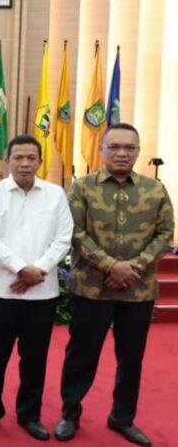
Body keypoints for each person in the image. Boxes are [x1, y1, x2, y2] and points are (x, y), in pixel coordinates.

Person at [54, 123, 174, 447]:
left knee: (131, 359)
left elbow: (166, 234)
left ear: (138, 151)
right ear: (102, 150)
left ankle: (122, 417)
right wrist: (110, 266)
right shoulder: (83, 187)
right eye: (115, 147)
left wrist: (133, 267)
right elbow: (74, 231)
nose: (122, 153)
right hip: (91, 288)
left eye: (129, 148)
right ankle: (70, 413)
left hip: (137, 290)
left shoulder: (155, 189)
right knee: (81, 355)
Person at [0, 135, 73, 440]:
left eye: (31, 158)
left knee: (34, 360)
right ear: (7, 160)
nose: (25, 163)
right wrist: (21, 269)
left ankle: (29, 415)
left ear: (40, 161)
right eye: (18, 157)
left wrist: (38, 270)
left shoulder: (55, 194)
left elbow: (63, 238)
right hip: (0, 292)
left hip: (41, 293)